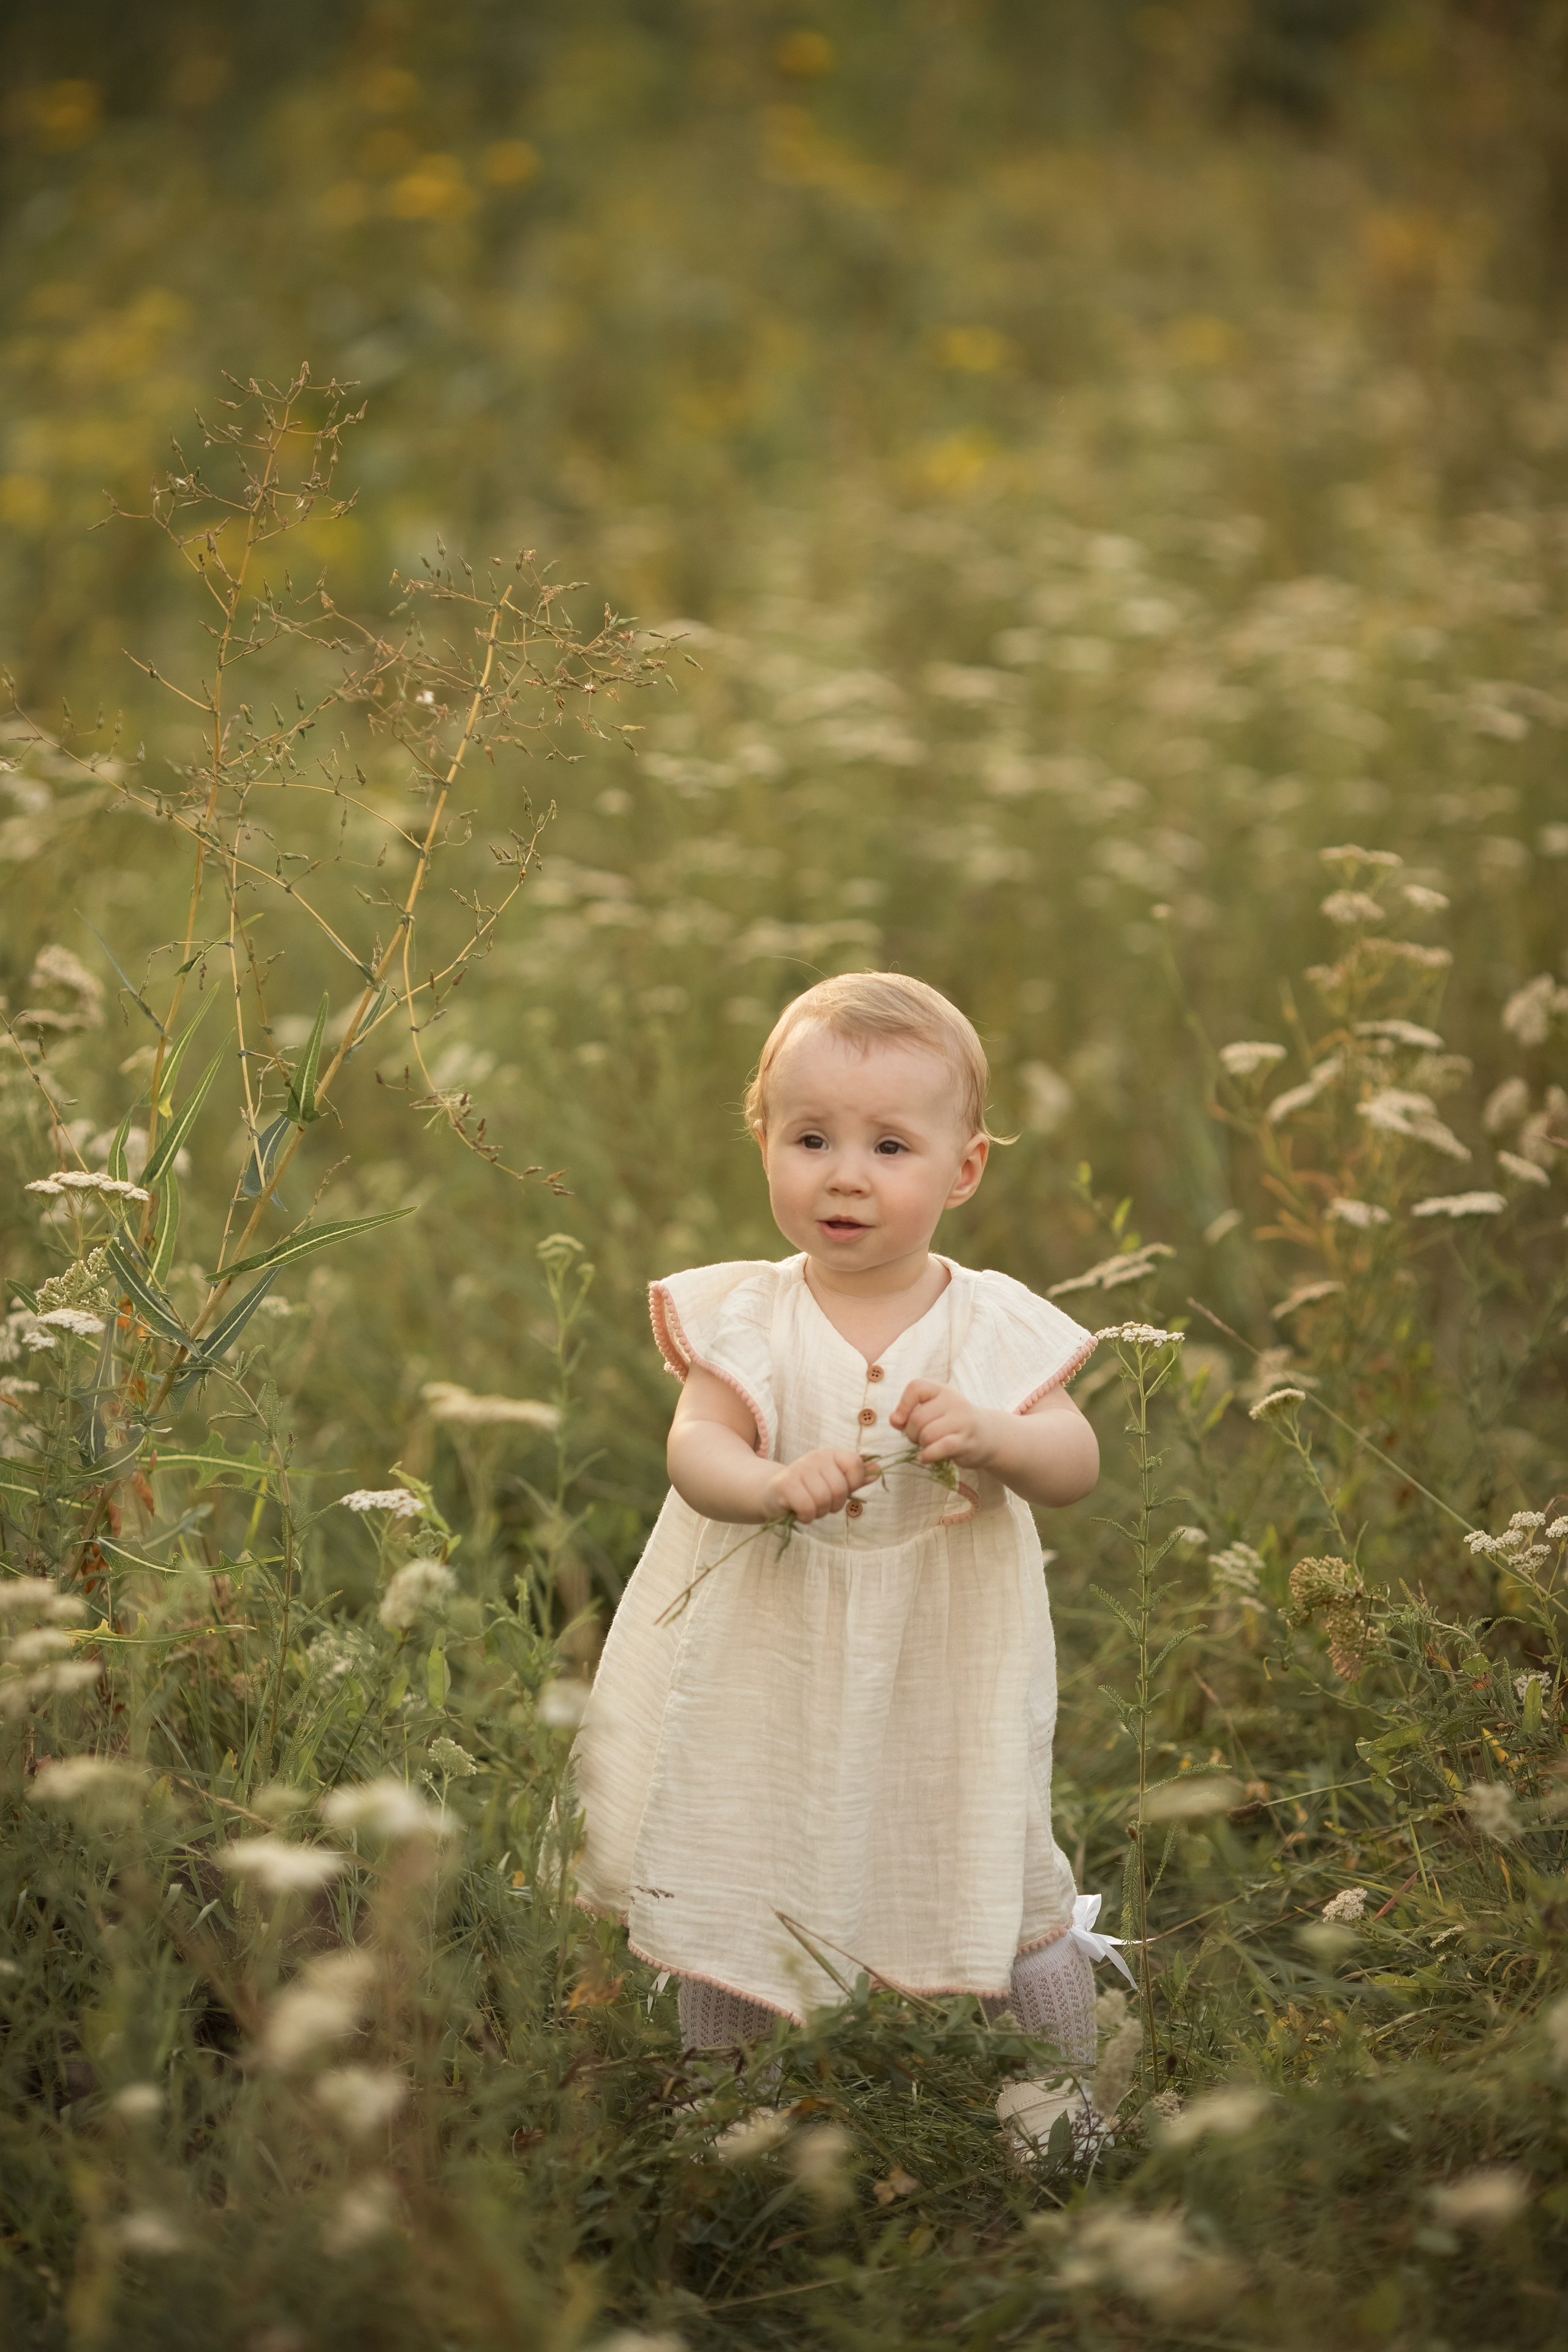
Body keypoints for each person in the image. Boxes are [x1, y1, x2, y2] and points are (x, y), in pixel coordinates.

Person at [573, 971, 1122, 2154]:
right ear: (763, 1139)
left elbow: (1073, 1462)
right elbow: (694, 1448)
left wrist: (998, 1435)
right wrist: (768, 1485)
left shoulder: (991, 1324)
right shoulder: (747, 1316)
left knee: (996, 1850)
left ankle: (1056, 2097)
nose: (846, 1175)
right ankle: (727, 2106)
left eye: (889, 1145)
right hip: (767, 1648)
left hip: (946, 1650)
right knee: (738, 1848)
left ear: (962, 1170)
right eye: (811, 1138)